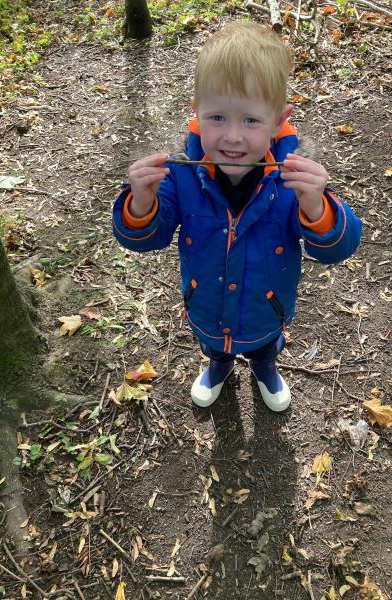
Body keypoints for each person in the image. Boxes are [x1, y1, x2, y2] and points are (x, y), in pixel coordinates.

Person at [113, 21, 362, 412]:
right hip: (207, 309)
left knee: (265, 348)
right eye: (217, 118)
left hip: (267, 310)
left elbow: (338, 248)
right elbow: (145, 239)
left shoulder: (293, 182)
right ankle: (219, 366)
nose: (232, 136)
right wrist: (141, 203)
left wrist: (316, 208)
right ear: (196, 113)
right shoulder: (180, 176)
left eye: (250, 120)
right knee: (216, 346)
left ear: (278, 121)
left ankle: (265, 369)